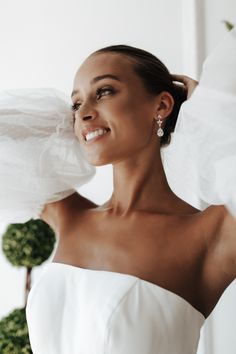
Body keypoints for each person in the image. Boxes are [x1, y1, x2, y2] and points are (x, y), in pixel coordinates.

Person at [1, 29, 235, 354]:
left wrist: (210, 115)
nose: (83, 111)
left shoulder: (212, 234)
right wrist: (73, 121)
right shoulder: (69, 216)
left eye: (105, 91)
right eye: (76, 103)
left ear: (162, 105)